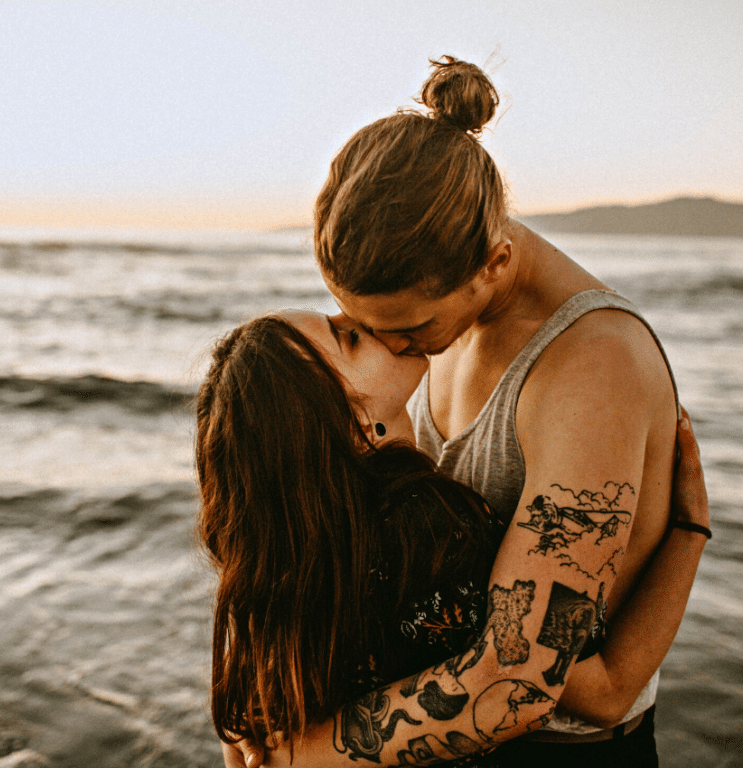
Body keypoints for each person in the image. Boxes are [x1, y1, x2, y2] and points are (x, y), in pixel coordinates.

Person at [229, 55, 708, 765]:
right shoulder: (440, 313)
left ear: (493, 261)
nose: (396, 351)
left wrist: (304, 755)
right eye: (358, 327)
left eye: (410, 330)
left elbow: (522, 678)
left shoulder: (590, 369)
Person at [198, 311, 710, 768]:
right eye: (349, 337)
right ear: (356, 421)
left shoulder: (289, 572)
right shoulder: (436, 535)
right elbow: (607, 689)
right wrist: (690, 530)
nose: (363, 318)